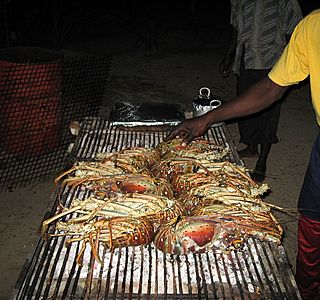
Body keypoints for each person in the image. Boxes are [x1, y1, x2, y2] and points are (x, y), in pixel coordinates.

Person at [166, 9, 320, 299]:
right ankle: (307, 289)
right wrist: (206, 119)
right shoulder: (313, 26)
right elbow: (271, 88)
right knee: (312, 222)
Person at [219, 0, 302, 182]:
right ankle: (251, 147)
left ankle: (262, 160)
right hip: (245, 58)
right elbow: (236, 29)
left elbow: (296, 29)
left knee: (268, 112)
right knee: (244, 106)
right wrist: (228, 56)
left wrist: (290, 63)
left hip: (271, 59)